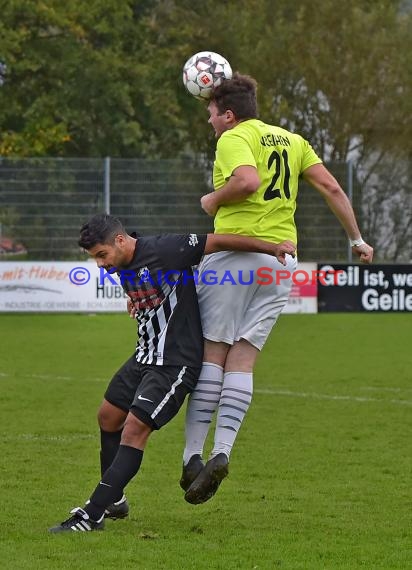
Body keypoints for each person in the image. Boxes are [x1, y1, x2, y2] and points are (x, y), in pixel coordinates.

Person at [180, 73, 374, 505]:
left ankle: (193, 457)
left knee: (213, 352)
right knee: (243, 359)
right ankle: (223, 452)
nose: (210, 121)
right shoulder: (291, 139)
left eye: (211, 113)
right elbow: (331, 186)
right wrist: (357, 239)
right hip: (278, 263)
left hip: (233, 256)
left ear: (228, 114)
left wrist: (212, 200)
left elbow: (246, 182)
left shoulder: (233, 138)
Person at [49, 213, 295, 532]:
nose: (100, 265)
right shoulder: (122, 263)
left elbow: (216, 240)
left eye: (101, 255)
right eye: (95, 258)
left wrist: (271, 247)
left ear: (120, 241)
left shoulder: (166, 249)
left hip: (174, 363)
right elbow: (145, 285)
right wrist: (134, 299)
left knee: (134, 429)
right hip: (144, 356)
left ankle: (92, 514)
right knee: (108, 416)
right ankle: (115, 499)